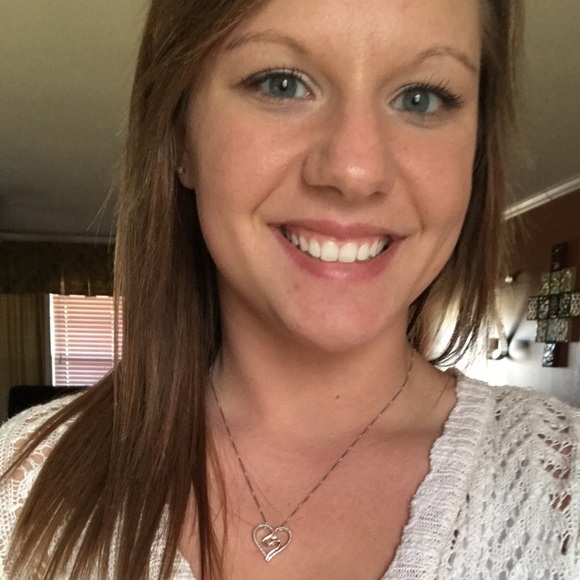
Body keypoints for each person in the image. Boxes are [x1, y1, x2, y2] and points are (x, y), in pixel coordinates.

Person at [1, 0, 578, 578]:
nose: (355, 171)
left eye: (421, 97)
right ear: (180, 138)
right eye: (281, 84)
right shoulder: (20, 481)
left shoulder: (561, 489)